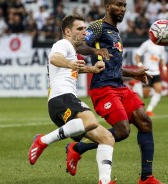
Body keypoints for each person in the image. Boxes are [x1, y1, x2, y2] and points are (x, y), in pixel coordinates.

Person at [66, 1, 163, 184]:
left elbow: (113, 66)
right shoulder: (98, 26)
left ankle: (146, 178)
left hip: (119, 86)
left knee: (145, 122)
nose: (123, 9)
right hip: (103, 88)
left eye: (125, 5)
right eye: (119, 5)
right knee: (122, 130)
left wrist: (133, 73)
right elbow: (77, 46)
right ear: (108, 5)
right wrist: (95, 50)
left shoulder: (115, 32)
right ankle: (77, 148)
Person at [28, 14, 116, 184]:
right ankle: (42, 141)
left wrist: (92, 69)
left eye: (85, 28)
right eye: (80, 29)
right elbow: (54, 58)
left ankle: (104, 181)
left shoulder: (72, 52)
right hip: (61, 97)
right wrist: (70, 64)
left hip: (63, 100)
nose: (85, 32)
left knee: (107, 138)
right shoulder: (63, 44)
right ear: (68, 31)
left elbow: (72, 68)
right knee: (90, 120)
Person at [134, 39, 168, 117]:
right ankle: (136, 86)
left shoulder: (161, 46)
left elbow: (162, 58)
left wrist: (164, 68)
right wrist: (140, 65)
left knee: (158, 90)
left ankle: (149, 110)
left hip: (156, 72)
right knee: (145, 95)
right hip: (147, 72)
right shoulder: (146, 44)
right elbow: (137, 55)